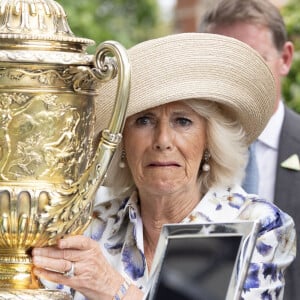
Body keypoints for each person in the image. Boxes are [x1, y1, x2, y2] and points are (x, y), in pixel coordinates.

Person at [31, 33, 296, 300]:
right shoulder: (87, 229)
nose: (163, 141)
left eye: (182, 121)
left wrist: (114, 289)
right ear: (121, 141)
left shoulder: (256, 224)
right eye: (144, 121)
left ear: (209, 141)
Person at [198, 1, 300, 298]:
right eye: (224, 62)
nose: (238, 76)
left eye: (255, 61)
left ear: (285, 58)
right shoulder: (181, 154)